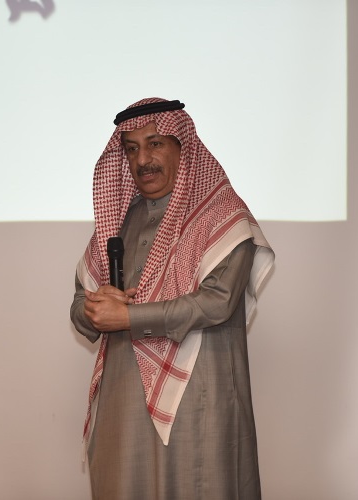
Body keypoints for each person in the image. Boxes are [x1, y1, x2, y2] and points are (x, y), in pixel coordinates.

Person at [70, 98, 274, 499]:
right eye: (132, 149)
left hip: (199, 398)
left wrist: (127, 318)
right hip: (124, 403)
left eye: (155, 144)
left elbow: (217, 302)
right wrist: (94, 309)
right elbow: (80, 303)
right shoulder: (118, 222)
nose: (142, 160)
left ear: (184, 148)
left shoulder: (222, 217)